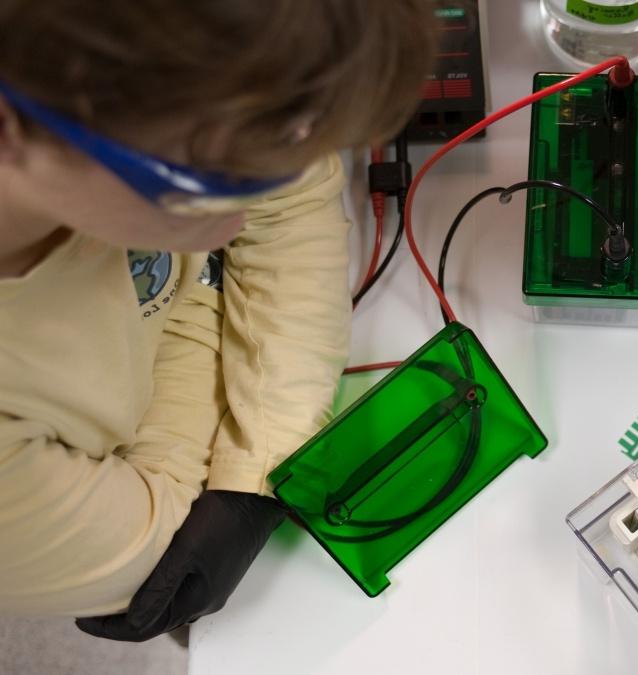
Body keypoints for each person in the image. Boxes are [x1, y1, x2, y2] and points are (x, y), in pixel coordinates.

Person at [0, 0, 436, 641]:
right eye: (212, 189)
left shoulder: (134, 114)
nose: (237, 222)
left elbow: (290, 203)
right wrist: (251, 435)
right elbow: (162, 546)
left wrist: (255, 469)